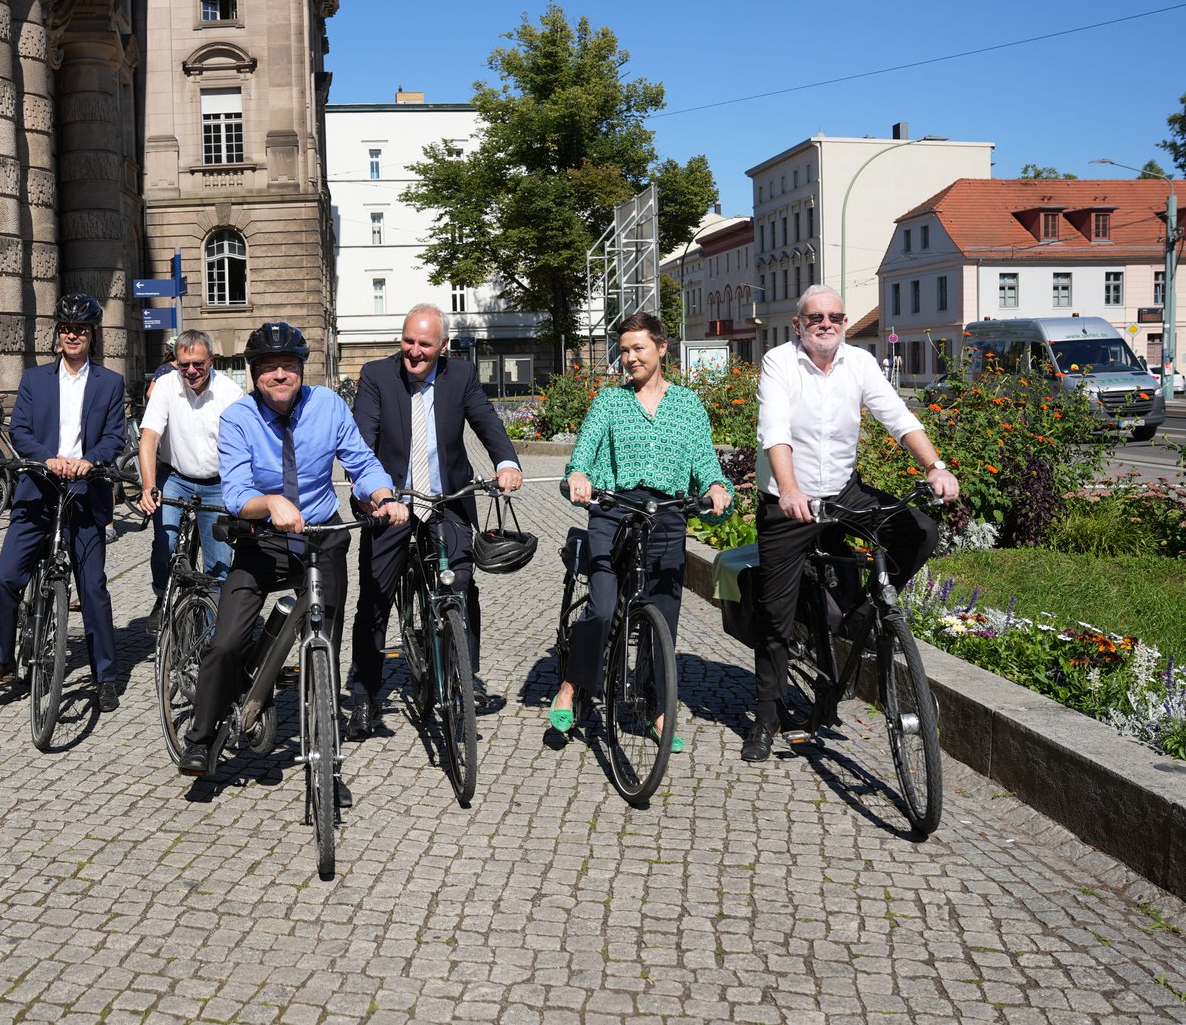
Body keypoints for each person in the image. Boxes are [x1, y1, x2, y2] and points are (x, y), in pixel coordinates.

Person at [177, 323, 407, 793]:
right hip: (261, 541)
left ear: (302, 369)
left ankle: (327, 764)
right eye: (268, 368)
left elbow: (360, 463)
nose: (280, 375)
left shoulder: (328, 405)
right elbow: (238, 490)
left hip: (322, 539)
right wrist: (271, 504)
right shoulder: (239, 418)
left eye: (289, 366)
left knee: (323, 643)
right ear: (254, 373)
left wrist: (383, 495)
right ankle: (201, 736)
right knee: (225, 643)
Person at [742, 285, 960, 762]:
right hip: (788, 499)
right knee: (774, 614)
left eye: (836, 317)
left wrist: (934, 466)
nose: (827, 323)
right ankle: (765, 716)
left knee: (919, 530)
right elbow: (774, 430)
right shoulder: (780, 361)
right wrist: (791, 489)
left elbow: (897, 417)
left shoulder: (859, 363)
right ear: (799, 324)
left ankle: (861, 612)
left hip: (843, 491)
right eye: (816, 317)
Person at [555, 311, 733, 750]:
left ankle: (656, 709)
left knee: (663, 621)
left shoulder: (687, 404)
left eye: (639, 348)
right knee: (601, 607)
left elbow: (705, 462)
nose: (630, 358)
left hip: (666, 515)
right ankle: (571, 686)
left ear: (661, 348)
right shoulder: (610, 402)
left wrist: (714, 486)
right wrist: (579, 475)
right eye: (625, 350)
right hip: (614, 511)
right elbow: (584, 452)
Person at [345, 303, 522, 740]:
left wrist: (506, 462)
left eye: (425, 344)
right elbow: (362, 442)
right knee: (375, 596)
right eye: (408, 341)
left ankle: (465, 676)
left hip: (447, 502)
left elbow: (486, 422)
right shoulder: (377, 376)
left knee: (460, 588)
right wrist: (374, 495)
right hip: (390, 501)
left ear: (443, 346)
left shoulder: (460, 375)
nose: (415, 351)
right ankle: (365, 696)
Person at [0, 293, 127, 712]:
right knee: (5, 578)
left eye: (81, 329)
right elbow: (20, 429)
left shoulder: (110, 382)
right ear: (58, 334)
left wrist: (90, 460)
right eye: (66, 328)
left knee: (93, 586)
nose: (73, 335)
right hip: (38, 489)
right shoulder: (34, 379)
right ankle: (5, 660)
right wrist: (47, 458)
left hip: (85, 493)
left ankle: (105, 675)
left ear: (92, 335)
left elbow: (115, 436)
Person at [137, 329, 244, 627]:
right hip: (176, 476)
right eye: (184, 365)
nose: (192, 371)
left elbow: (244, 446)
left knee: (219, 565)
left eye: (198, 363)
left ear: (211, 360)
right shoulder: (166, 386)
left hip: (218, 482)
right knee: (165, 541)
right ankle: (162, 595)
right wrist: (148, 486)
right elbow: (149, 439)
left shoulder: (230, 393)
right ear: (176, 362)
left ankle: (210, 636)